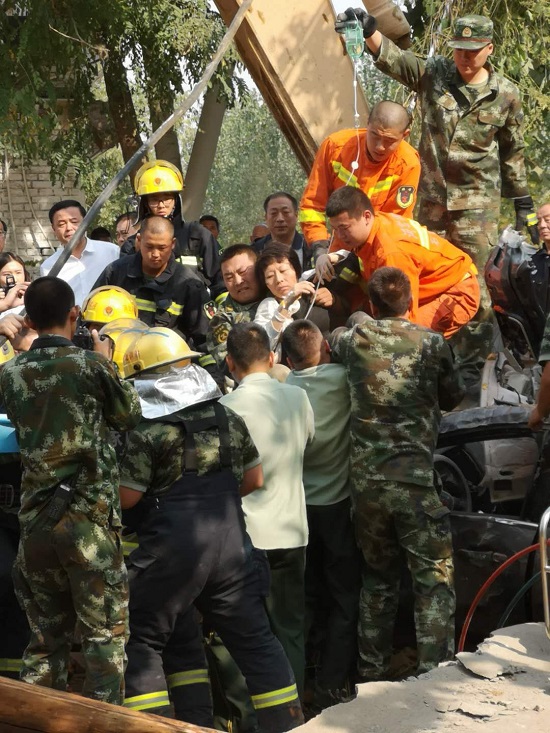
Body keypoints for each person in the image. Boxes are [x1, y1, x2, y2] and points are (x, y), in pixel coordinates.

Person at [117, 327, 303, 732]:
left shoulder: (149, 430)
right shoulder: (226, 416)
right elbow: (254, 480)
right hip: (233, 546)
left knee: (142, 640)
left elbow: (126, 500)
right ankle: (289, 726)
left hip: (173, 554)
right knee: (256, 642)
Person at [337, 9, 537, 375]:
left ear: (489, 49)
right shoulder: (436, 74)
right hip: (431, 202)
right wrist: (369, 31)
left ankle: (473, 368)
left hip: (476, 205)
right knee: (426, 279)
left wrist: (522, 200)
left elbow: (512, 150)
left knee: (475, 286)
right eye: (460, 48)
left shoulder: (506, 94)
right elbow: (395, 60)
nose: (464, 57)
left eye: (473, 50)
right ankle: (428, 357)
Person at [0, 276, 141, 702]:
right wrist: (106, 359)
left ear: (27, 319)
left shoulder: (10, 373)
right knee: (103, 640)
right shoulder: (91, 366)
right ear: (74, 315)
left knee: (44, 641)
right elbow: (128, 416)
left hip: (36, 523)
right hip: (89, 522)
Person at [331, 266, 463, 680]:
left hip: (367, 489)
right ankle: (435, 676)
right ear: (410, 301)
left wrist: (359, 321)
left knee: (378, 583)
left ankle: (370, 679)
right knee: (433, 584)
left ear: (371, 303)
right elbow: (453, 397)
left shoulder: (352, 342)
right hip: (417, 485)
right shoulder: (431, 344)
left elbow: (330, 339)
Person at [221, 323, 314, 697]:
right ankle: (293, 713)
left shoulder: (224, 409)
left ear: (230, 364)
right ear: (272, 358)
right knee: (289, 627)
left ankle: (248, 717)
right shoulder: (297, 398)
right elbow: (309, 440)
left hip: (243, 538)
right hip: (292, 531)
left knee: (242, 633)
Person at [282, 320, 360, 714]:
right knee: (345, 598)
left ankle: (297, 685)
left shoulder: (285, 392)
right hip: (338, 507)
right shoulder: (345, 380)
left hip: (298, 511)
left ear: (288, 360)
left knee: (304, 597)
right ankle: (332, 686)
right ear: (325, 349)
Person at [322, 186, 480, 338]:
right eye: (335, 229)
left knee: (404, 339)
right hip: (432, 289)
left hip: (456, 292)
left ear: (367, 217)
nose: (339, 236)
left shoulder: (391, 253)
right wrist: (331, 256)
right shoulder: (376, 225)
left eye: (344, 228)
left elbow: (404, 317)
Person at [299, 100, 420, 257]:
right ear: (367, 124)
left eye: (389, 141)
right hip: (336, 250)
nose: (379, 146)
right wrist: (319, 246)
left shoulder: (408, 164)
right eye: (374, 135)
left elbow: (395, 223)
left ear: (405, 135)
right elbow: (312, 205)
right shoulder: (335, 147)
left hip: (380, 251)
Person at [93, 216, 211, 356]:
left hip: (168, 369)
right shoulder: (115, 272)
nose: (155, 254)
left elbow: (204, 340)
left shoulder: (189, 284)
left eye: (162, 248)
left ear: (173, 244)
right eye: (149, 247)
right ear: (138, 241)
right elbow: (92, 321)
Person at [131, 160, 225, 299]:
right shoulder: (133, 244)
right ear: (145, 203)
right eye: (154, 199)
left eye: (167, 197)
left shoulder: (198, 235)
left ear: (176, 199)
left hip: (193, 312)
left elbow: (220, 279)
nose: (161, 205)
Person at [255, 244, 336, 354]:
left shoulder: (315, 281)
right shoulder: (269, 305)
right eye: (270, 276)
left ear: (296, 270)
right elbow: (260, 347)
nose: (278, 280)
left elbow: (348, 257)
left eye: (283, 271)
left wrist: (335, 300)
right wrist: (287, 303)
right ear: (266, 284)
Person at [40, 200, 120, 306]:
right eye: (61, 224)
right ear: (54, 229)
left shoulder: (112, 252)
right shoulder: (48, 267)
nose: (69, 228)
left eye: (74, 222)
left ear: (85, 223)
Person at [206, 244, 263, 375]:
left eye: (243, 272)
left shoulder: (277, 292)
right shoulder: (221, 320)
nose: (238, 281)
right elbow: (230, 366)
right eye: (229, 277)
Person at [252, 193, 310, 268]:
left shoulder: (310, 247)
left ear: (296, 215)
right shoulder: (256, 250)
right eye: (274, 213)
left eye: (285, 212)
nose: (280, 219)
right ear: (266, 218)